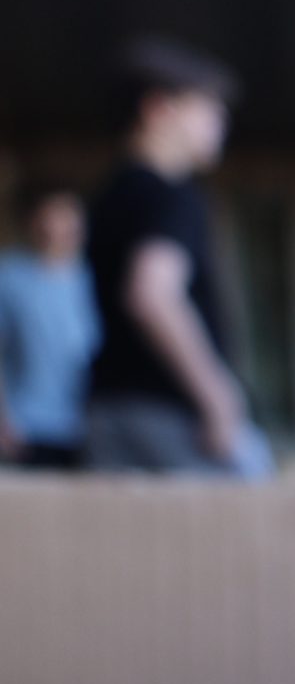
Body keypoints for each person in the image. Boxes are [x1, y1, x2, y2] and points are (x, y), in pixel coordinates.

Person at [83, 39, 256, 476]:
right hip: (173, 414)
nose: (220, 124)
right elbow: (152, 295)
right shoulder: (174, 195)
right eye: (207, 110)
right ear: (159, 109)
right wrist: (216, 396)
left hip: (106, 406)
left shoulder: (108, 195)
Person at [0, 183, 99, 470]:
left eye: (70, 215)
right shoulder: (10, 277)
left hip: (89, 426)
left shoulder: (95, 278)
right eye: (54, 215)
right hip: (28, 424)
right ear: (35, 221)